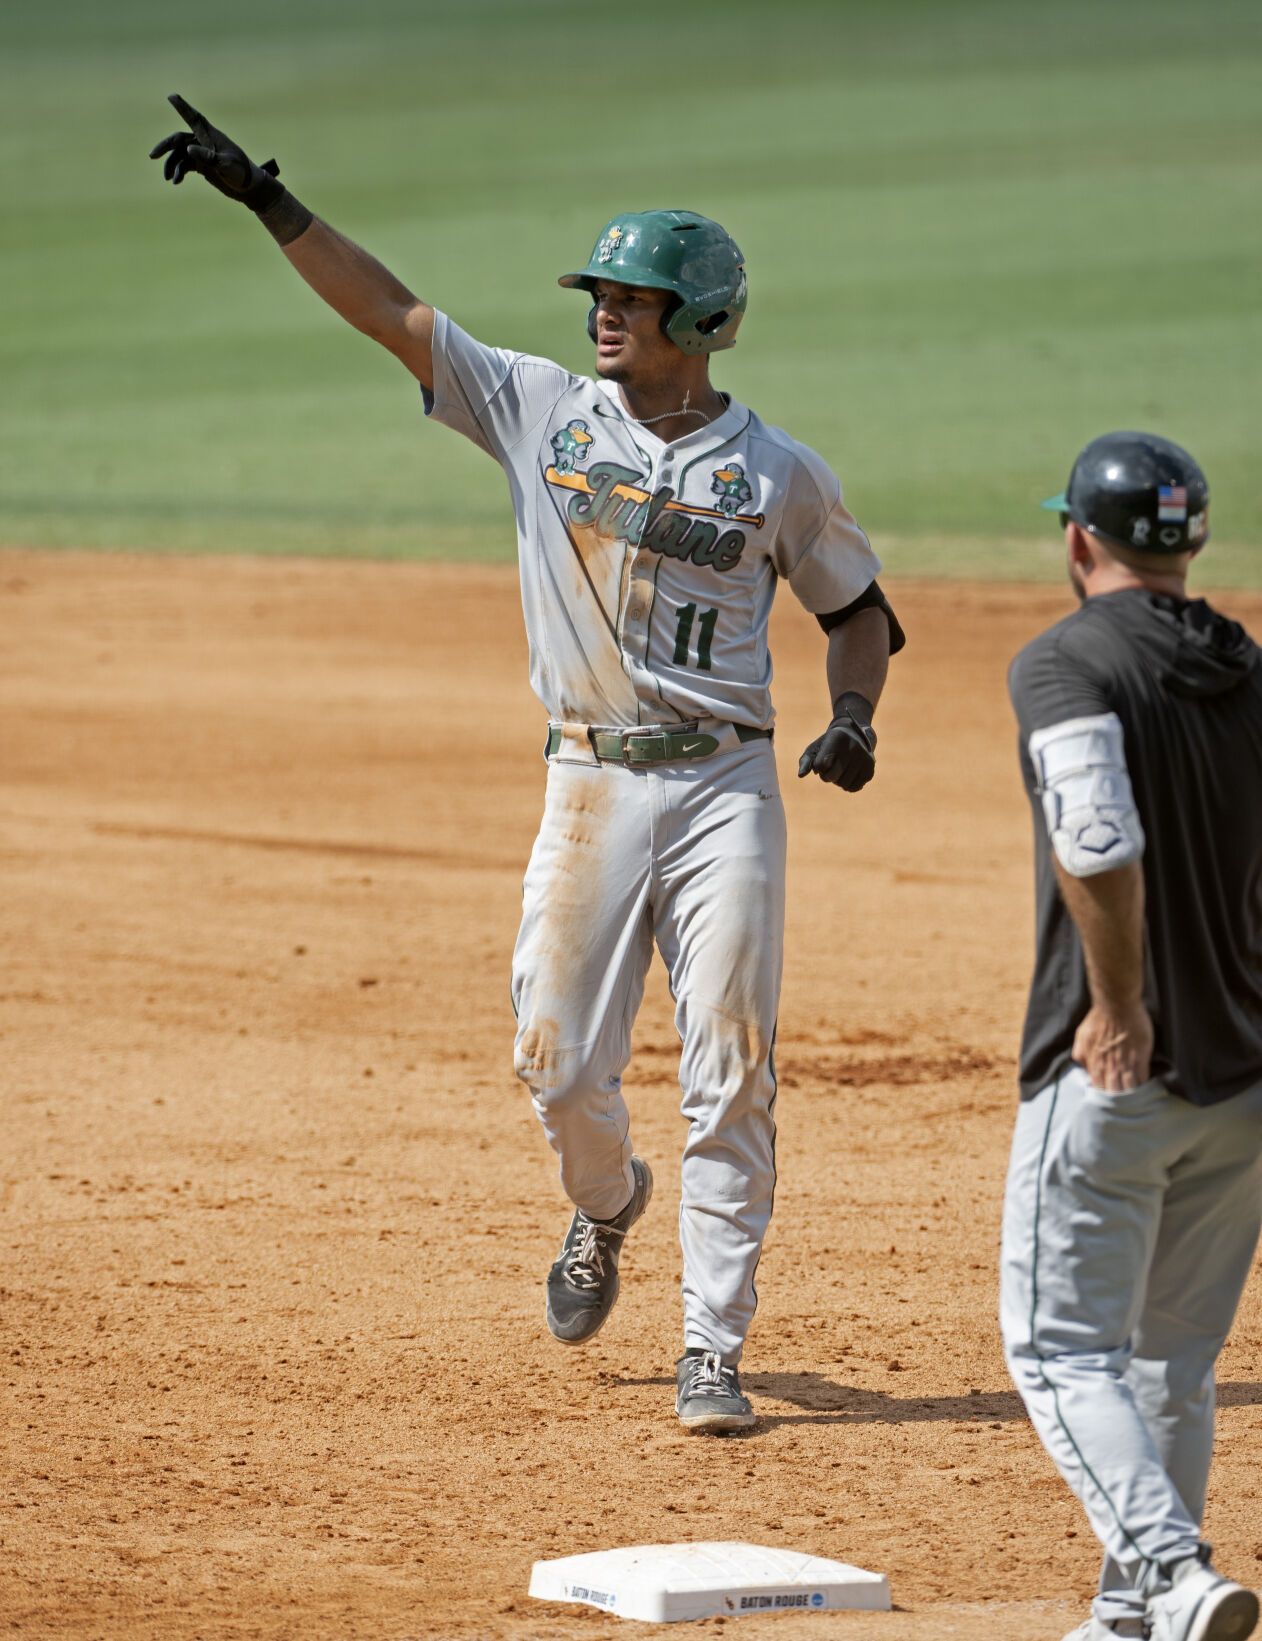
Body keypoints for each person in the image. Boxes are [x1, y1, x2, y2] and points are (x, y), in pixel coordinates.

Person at [150, 97, 904, 1433]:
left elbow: (857, 612)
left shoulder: (774, 472)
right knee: (555, 1065)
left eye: (633, 295)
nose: (604, 312)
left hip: (725, 784)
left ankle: (708, 1347)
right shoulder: (540, 409)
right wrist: (269, 201)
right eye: (601, 290)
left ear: (701, 321)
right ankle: (607, 1204)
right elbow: (396, 317)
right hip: (590, 780)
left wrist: (852, 716)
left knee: (729, 1065)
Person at [1001, 431, 1262, 1641]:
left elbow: (1095, 842)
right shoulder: (1241, 662)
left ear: (1075, 540)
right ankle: (1129, 1619)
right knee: (1169, 1360)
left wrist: (1116, 1007)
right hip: (1242, 1075)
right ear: (1188, 542)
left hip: (1118, 1071)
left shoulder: (1064, 666)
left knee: (1057, 1352)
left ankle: (1167, 1572)